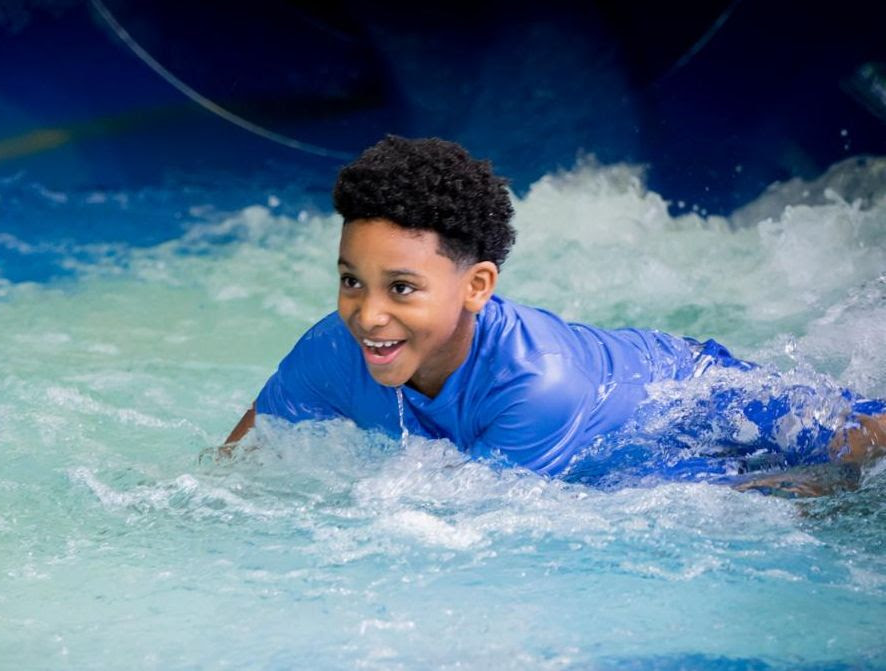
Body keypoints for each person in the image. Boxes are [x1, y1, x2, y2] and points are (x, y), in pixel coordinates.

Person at [225, 135, 886, 496]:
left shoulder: (537, 384)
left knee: (840, 453)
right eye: (351, 281)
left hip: (680, 394)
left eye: (401, 288)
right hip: (601, 454)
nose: (368, 314)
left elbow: (462, 528)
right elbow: (240, 459)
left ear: (477, 286)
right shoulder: (333, 347)